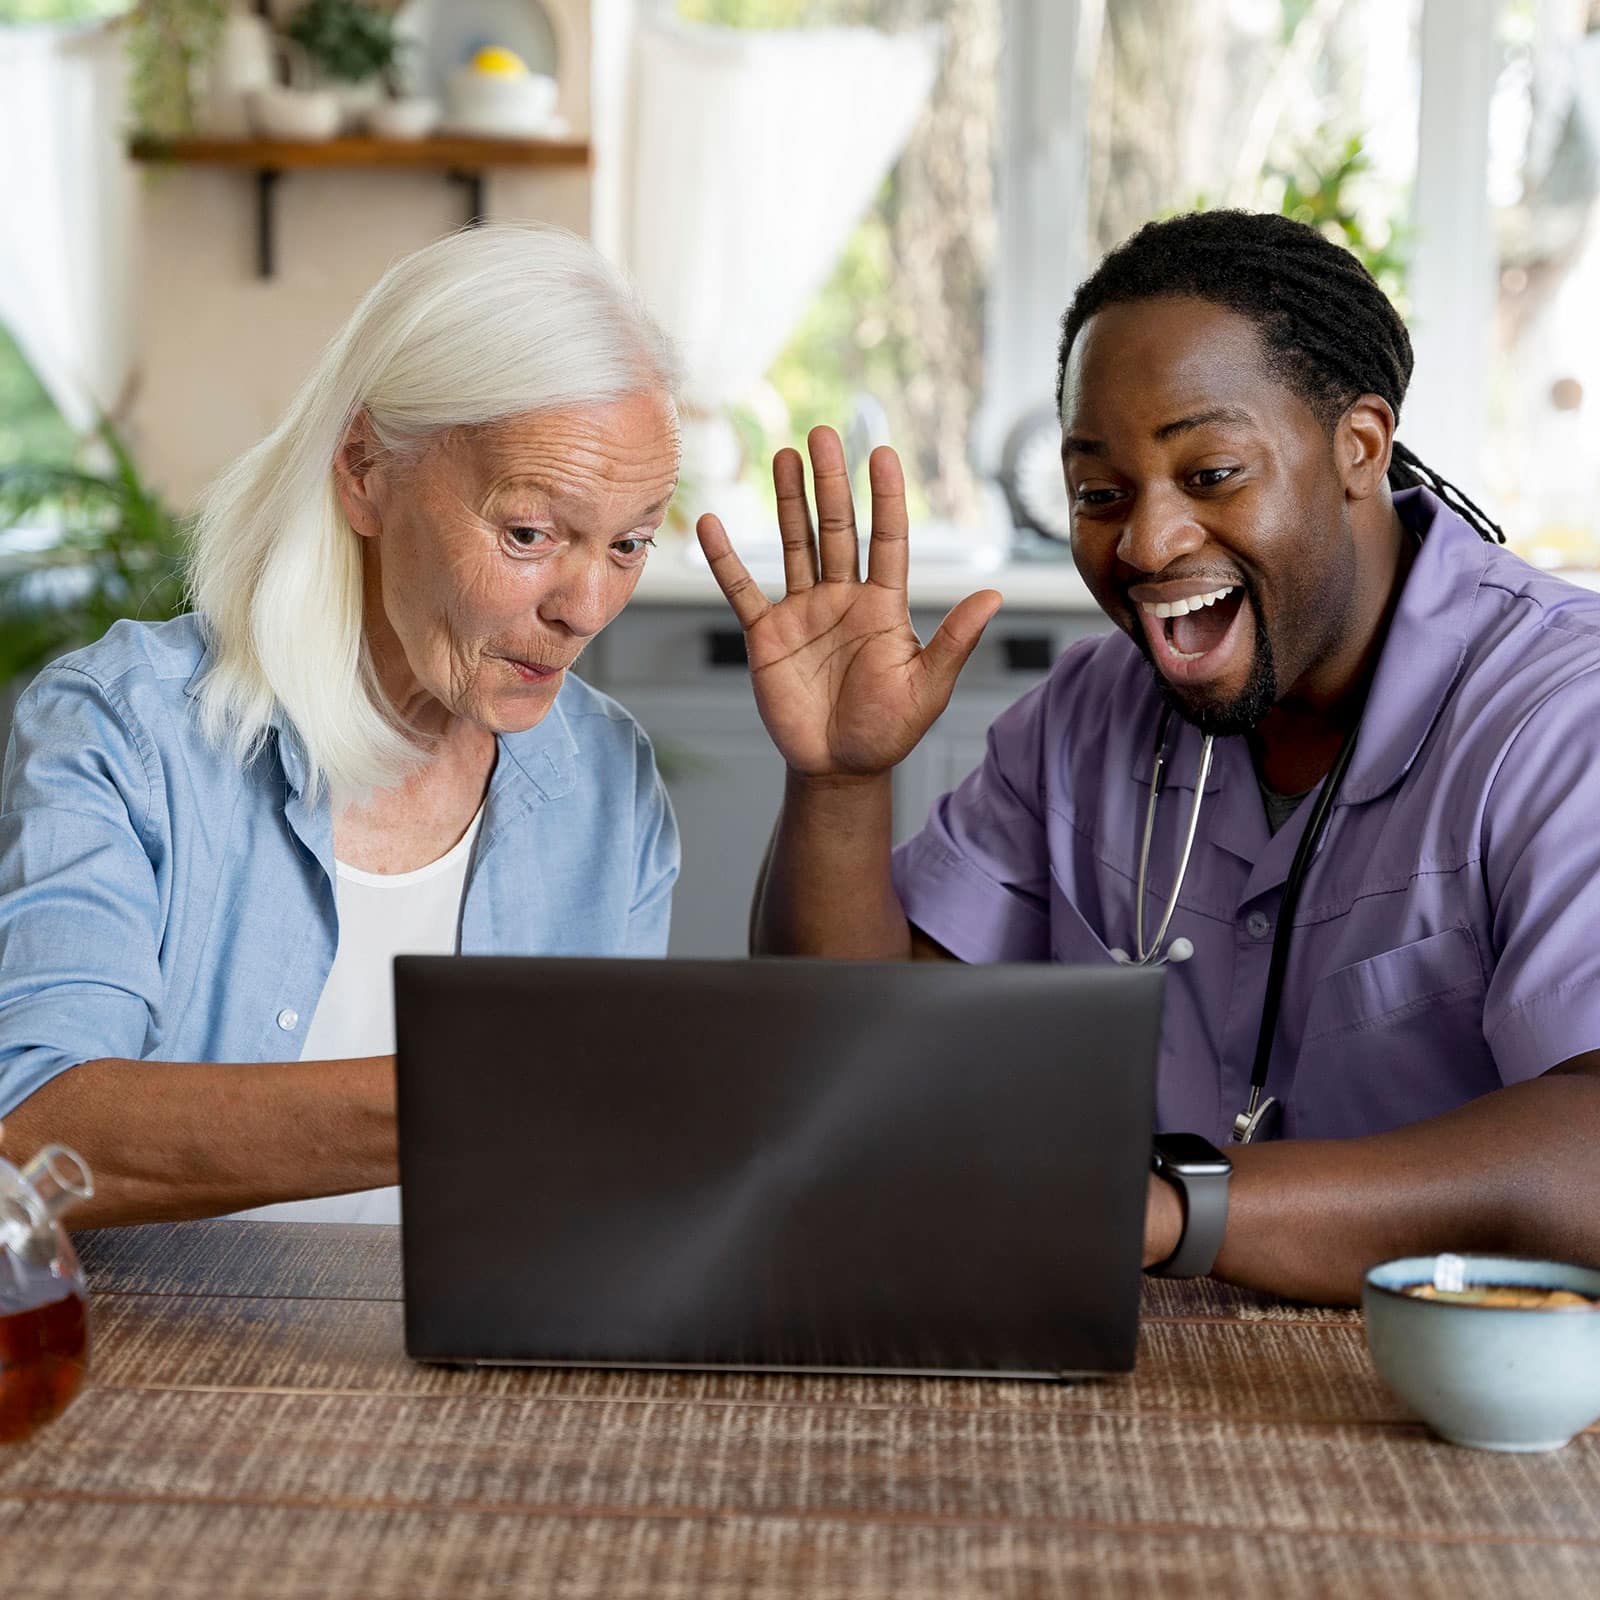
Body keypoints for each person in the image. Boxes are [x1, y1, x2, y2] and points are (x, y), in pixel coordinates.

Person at [697, 209, 1600, 1305]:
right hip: (1136, 1354)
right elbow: (847, 1062)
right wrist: (839, 783)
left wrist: (1179, 1207)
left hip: (1438, 1381)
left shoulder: (1563, 716)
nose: (1144, 541)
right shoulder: (1087, 715)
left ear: (1358, 447)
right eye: (1099, 493)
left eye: (1210, 472)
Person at [0, 223, 683, 1225]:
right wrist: (496, 1085)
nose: (584, 608)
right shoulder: (122, 732)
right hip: (171, 1330)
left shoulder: (607, 778)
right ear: (364, 468)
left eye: (628, 544)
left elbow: (595, 1196)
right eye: (530, 533)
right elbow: (32, 1132)